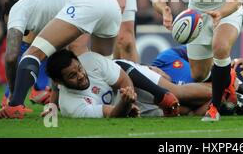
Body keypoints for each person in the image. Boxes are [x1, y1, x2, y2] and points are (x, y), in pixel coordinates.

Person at [0, 0, 123, 119]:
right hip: (111, 4)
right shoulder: (44, 10)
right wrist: (53, 105)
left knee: (32, 54)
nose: (12, 28)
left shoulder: (16, 9)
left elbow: (10, 57)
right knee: (104, 69)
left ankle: (15, 107)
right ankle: (128, 102)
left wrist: (13, 93)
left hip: (85, 0)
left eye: (9, 23)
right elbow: (58, 62)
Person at [44, 49, 212, 118]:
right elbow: (110, 113)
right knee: (186, 112)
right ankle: (230, 100)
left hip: (132, 79)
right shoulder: (71, 106)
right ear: (60, 82)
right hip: (124, 103)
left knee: (178, 94)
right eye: (73, 75)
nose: (81, 75)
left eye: (79, 69)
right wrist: (126, 104)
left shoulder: (90, 60)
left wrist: (131, 96)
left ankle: (231, 88)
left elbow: (123, 77)